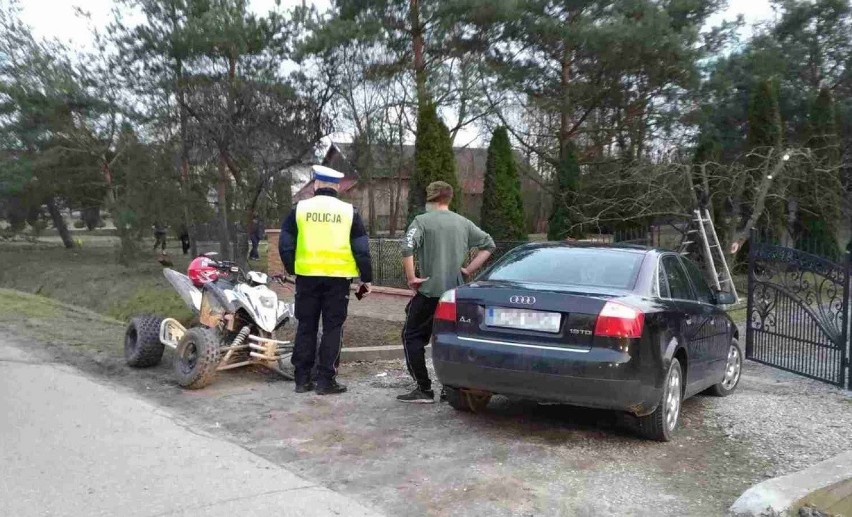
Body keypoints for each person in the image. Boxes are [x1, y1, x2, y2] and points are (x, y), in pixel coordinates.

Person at [397, 181, 495, 403]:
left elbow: (407, 247)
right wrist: (468, 269)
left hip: (429, 292)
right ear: (449, 199)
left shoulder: (421, 221)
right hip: (454, 295)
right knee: (451, 340)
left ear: (430, 199)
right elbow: (489, 245)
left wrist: (412, 278)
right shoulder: (463, 222)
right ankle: (449, 388)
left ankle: (423, 388)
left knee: (411, 336)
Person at [278, 165, 373, 395]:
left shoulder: (299, 209)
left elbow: (285, 243)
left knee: (306, 326)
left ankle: (302, 380)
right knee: (333, 328)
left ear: (316, 184)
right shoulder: (349, 211)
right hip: (338, 280)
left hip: (307, 277)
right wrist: (366, 279)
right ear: (337, 186)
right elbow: (361, 249)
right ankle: (325, 381)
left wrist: (292, 267)